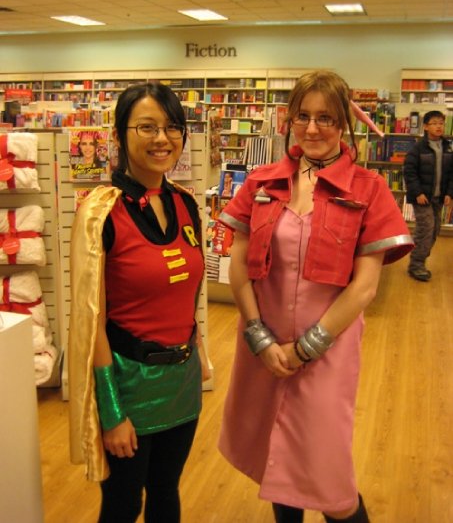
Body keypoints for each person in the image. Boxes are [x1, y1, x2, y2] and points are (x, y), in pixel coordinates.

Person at [217, 70, 414, 523]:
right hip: (262, 347)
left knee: (329, 478)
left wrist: (309, 346)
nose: (311, 128)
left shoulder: (369, 189)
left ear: (343, 121)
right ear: (289, 118)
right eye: (302, 116)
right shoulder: (262, 182)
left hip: (327, 352)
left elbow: (365, 286)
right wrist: (259, 338)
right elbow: (240, 266)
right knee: (276, 462)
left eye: (325, 118)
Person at [68, 82, 210, 523]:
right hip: (128, 389)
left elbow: (187, 294)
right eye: (146, 127)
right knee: (124, 506)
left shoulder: (186, 204)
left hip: (182, 387)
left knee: (166, 492)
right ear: (119, 135)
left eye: (171, 127)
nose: (162, 139)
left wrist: (201, 355)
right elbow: (91, 320)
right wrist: (110, 412)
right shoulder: (99, 212)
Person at [403, 110, 453, 281]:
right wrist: (417, 192)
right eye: (434, 123)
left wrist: (449, 193)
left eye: (441, 123)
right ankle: (416, 265)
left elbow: (452, 173)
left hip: (438, 198)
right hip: (422, 197)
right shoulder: (418, 148)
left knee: (434, 230)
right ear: (425, 127)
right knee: (426, 229)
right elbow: (409, 172)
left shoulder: (448, 147)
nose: (439, 126)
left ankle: (419, 259)